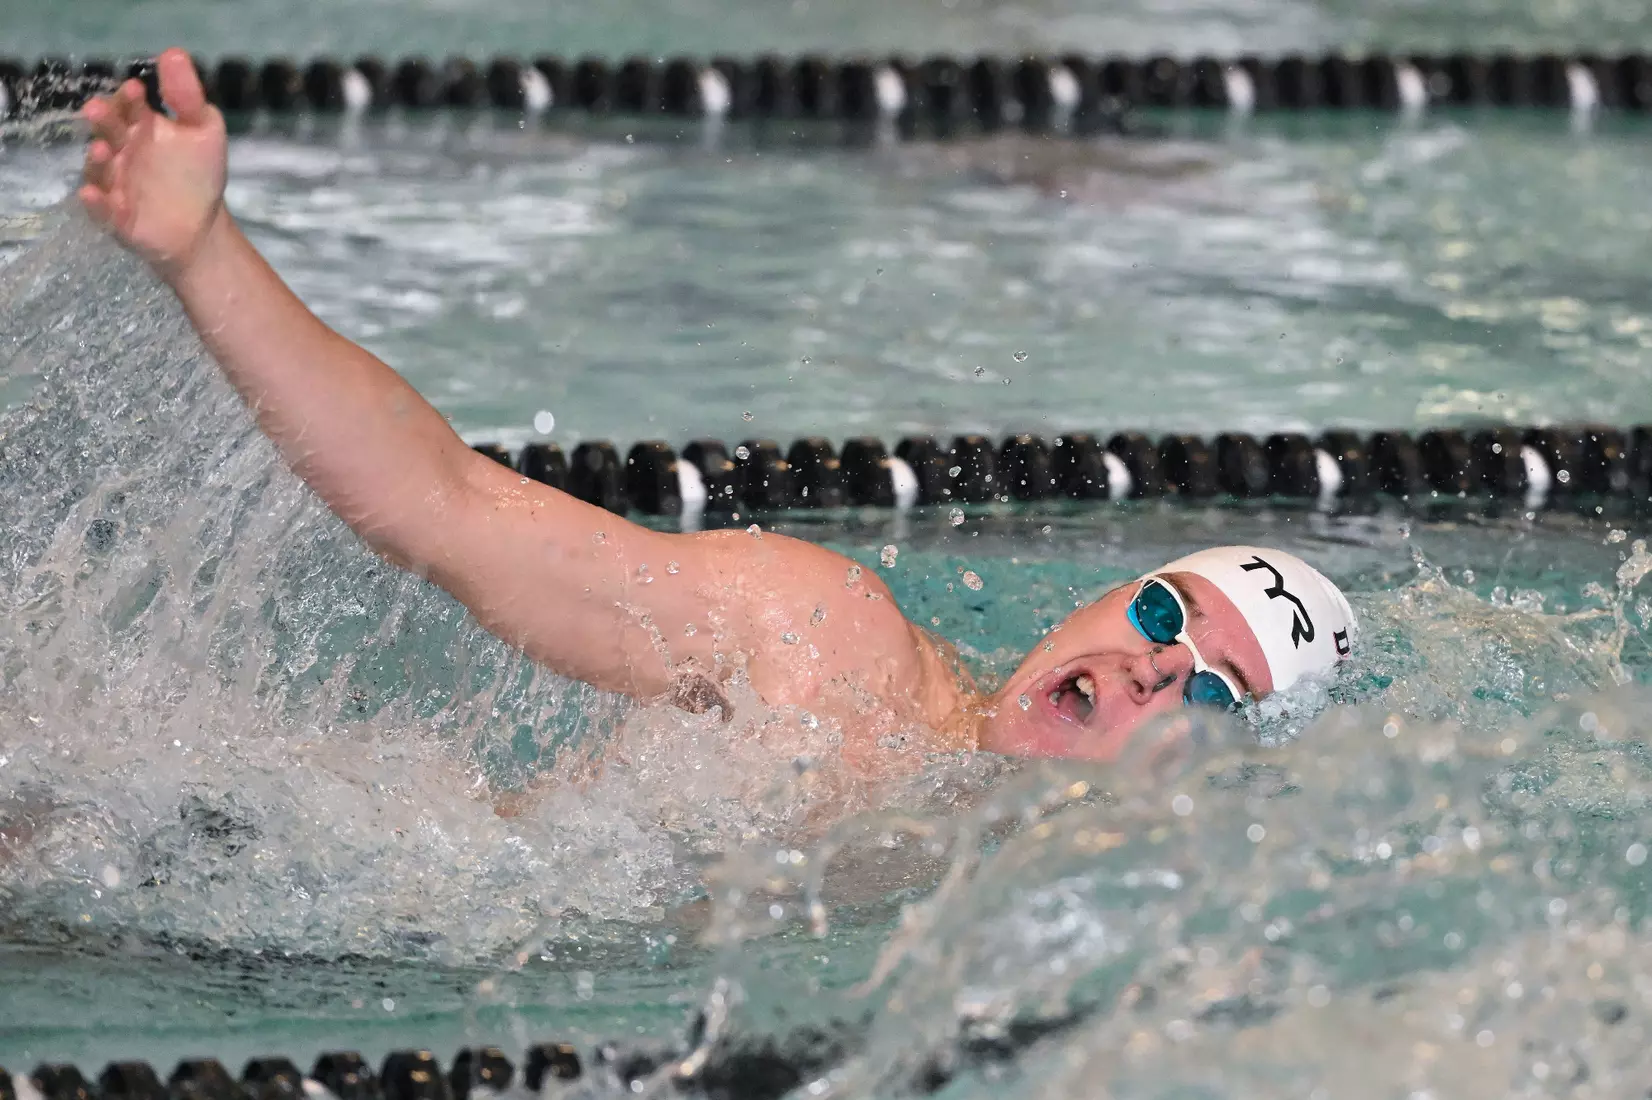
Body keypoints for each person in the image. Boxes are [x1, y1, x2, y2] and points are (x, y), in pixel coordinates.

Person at [75, 51, 1355, 772]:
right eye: (1158, 613)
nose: (1149, 661)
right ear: (1094, 604)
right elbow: (447, 508)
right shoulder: (826, 651)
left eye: (1209, 692)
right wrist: (203, 253)